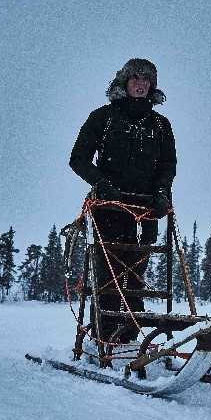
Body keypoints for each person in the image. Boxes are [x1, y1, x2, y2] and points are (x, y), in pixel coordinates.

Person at [69, 58, 176, 342]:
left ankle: (131, 333)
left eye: (146, 80)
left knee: (136, 272)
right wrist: (101, 184)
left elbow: (168, 166)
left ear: (152, 85)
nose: (140, 84)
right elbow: (78, 159)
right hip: (109, 208)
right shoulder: (102, 118)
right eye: (135, 79)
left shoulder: (161, 126)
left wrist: (163, 193)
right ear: (124, 83)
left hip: (146, 210)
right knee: (108, 275)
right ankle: (104, 336)